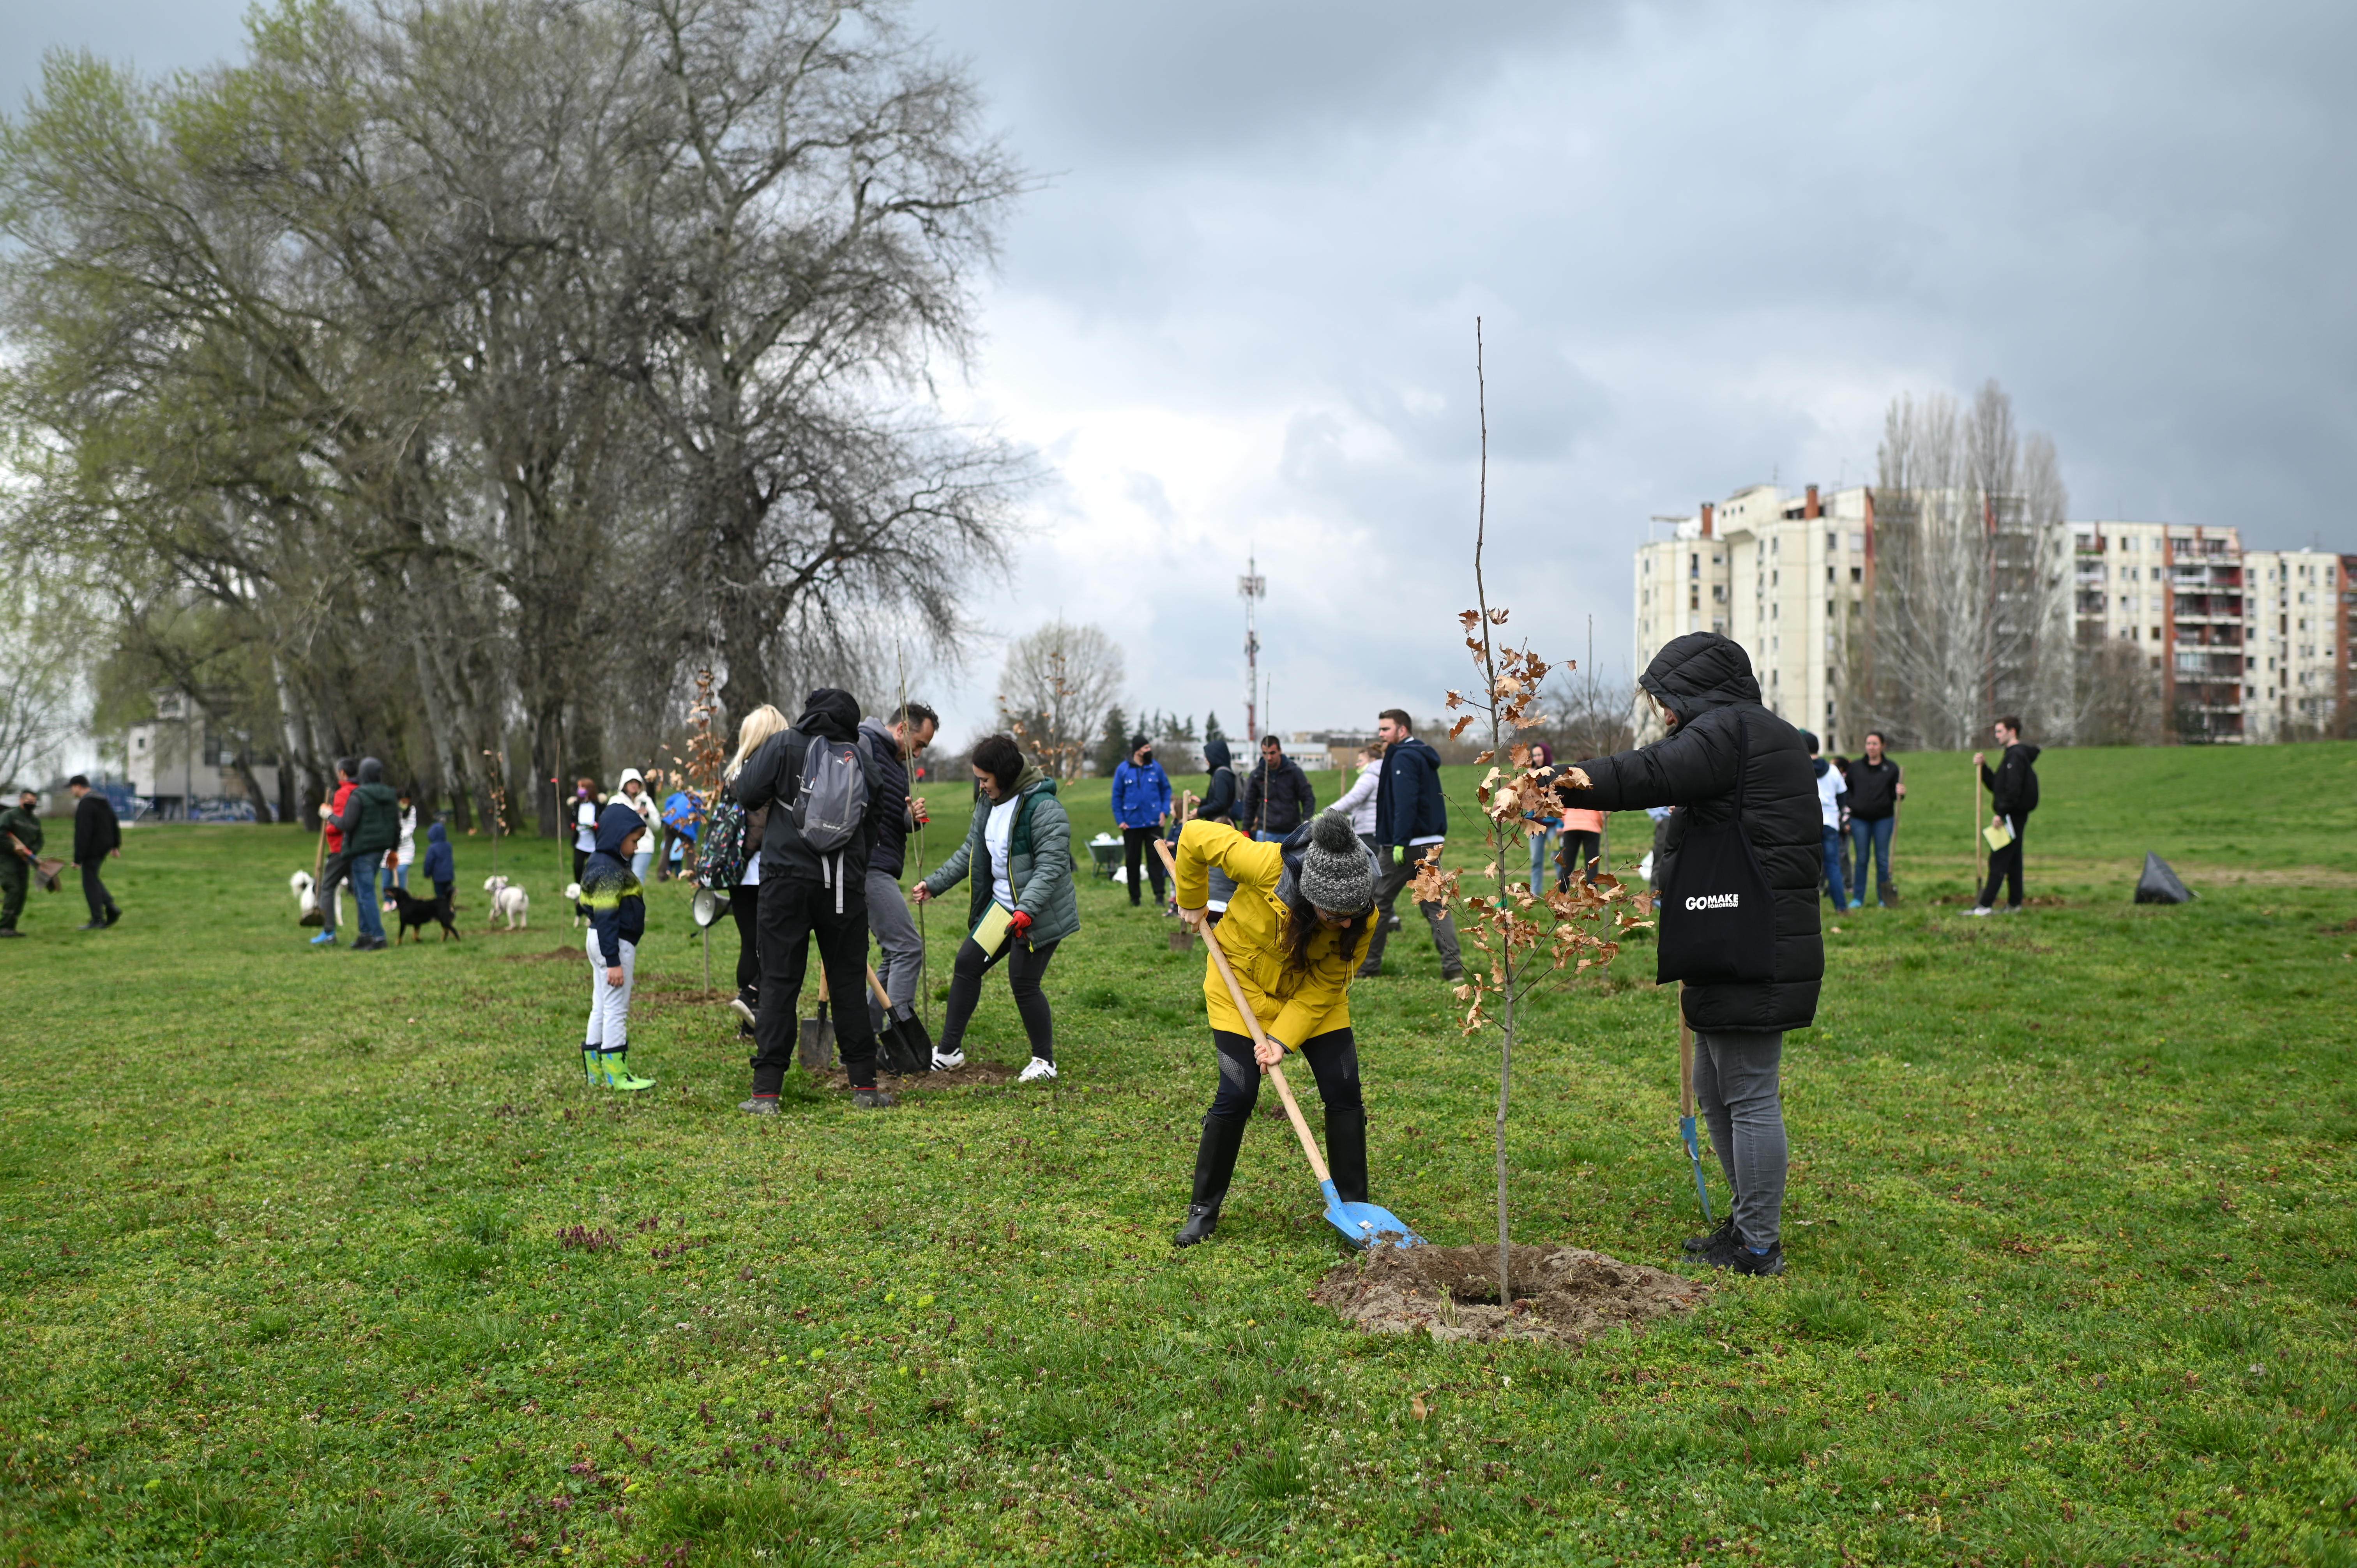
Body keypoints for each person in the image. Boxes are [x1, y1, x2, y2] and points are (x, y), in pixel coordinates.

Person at [1543, 632, 1822, 1277]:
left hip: (1748, 934)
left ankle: (1758, 1242)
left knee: (1747, 1090)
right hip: (1732, 927)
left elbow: (1649, 771)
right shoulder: (1745, 731)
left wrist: (1563, 781)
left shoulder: (1727, 730)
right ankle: (1746, 1218)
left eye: (1667, 696)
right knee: (1713, 1085)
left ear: (1696, 689)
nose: (1663, 711)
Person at [1169, 809, 1381, 1246]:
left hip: (1311, 997)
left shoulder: (1363, 917)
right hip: (1239, 987)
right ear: (1309, 892)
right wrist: (1192, 899)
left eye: (1353, 914)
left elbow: (1327, 985)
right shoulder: (1266, 864)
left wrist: (1283, 1037)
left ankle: (1357, 1210)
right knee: (1237, 1093)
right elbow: (1193, 836)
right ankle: (1203, 1210)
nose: (1347, 923)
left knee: (1344, 1091)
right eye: (1335, 914)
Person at [731, 689, 889, 1112]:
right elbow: (877, 817)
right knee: (848, 982)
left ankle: (766, 1092)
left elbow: (746, 793)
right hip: (843, 887)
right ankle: (864, 1088)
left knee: (781, 980)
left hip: (786, 881)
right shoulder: (863, 755)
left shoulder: (784, 744)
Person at [913, 733, 1078, 1081]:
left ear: (1003, 775)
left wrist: (1027, 909)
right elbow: (972, 851)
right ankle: (949, 1052)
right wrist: (935, 883)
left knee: (1023, 982)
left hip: (1037, 912)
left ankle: (1045, 1062)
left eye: (985, 779)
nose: (981, 785)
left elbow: (1051, 868)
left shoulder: (1044, 808)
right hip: (1003, 909)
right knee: (967, 964)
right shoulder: (989, 803)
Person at [1357, 711, 1463, 983]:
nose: (1381, 734)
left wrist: (1399, 842)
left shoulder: (1403, 757)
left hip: (1406, 846)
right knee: (1435, 906)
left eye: (1385, 729)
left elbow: (1406, 802)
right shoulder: (1421, 754)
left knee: (1374, 903)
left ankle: (1368, 966)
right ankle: (1453, 969)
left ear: (1402, 731)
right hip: (1429, 844)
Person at [859, 702, 938, 1033]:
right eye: (919, 744)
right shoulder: (864, 745)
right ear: (903, 729)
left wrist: (911, 819)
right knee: (907, 948)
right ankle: (901, 1034)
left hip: (882, 865)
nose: (919, 754)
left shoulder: (895, 763)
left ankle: (863, 1036)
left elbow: (890, 819)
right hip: (867, 866)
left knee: (895, 954)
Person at [719, 706, 791, 1038]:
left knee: (749, 944)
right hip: (765, 870)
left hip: (738, 872)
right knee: (773, 946)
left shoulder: (735, 772)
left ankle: (748, 1026)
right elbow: (760, 824)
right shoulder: (770, 771)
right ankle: (759, 1010)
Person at [579, 800, 654, 1091]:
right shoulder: (610, 871)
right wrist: (614, 961)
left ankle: (595, 1072)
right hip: (615, 944)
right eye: (634, 841)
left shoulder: (598, 863)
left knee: (600, 1005)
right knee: (616, 1008)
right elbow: (607, 915)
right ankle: (617, 1075)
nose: (636, 848)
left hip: (596, 940)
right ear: (617, 836)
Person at [325, 759, 400, 951]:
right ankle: (365, 935)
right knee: (360, 890)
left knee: (366, 893)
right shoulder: (390, 795)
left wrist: (329, 815)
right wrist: (394, 850)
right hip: (380, 850)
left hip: (362, 851)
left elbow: (347, 825)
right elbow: (396, 825)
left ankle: (379, 937)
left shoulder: (359, 795)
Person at [1972, 717, 2041, 916]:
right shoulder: (2012, 755)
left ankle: (1984, 906)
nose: (1997, 735)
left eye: (2000, 731)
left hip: (2012, 815)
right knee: (2013, 860)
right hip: (2014, 814)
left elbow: (2012, 790)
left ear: (2012, 732)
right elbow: (1999, 787)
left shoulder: (2016, 756)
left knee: (1999, 859)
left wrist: (2002, 814)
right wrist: (1984, 769)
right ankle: (2015, 904)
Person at [1111, 735, 1174, 910]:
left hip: (1154, 822)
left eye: (1149, 748)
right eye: (1145, 748)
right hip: (1132, 824)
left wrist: (1165, 812)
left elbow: (1166, 790)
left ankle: (1160, 895)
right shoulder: (1123, 770)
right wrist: (1120, 819)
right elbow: (1117, 796)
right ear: (1137, 751)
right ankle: (1135, 898)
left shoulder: (1156, 768)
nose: (1149, 751)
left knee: (1157, 859)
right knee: (1133, 860)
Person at [1844, 731, 1904, 909]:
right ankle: (1858, 898)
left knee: (1882, 859)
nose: (1871, 747)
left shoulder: (1891, 768)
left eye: (1875, 744)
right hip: (1860, 820)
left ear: (1883, 746)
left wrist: (1901, 793)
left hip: (1883, 820)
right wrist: (1851, 805)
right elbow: (1847, 790)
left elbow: (1894, 795)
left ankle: (1883, 897)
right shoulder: (1855, 768)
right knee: (1862, 859)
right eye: (1869, 744)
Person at [69, 777, 124, 931]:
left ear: (78, 786)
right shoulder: (102, 799)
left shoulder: (86, 804)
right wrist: (115, 845)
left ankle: (98, 919)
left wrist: (78, 859)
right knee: (93, 878)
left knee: (89, 882)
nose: (72, 791)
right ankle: (110, 906)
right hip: (104, 846)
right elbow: (114, 821)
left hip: (92, 848)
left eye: (72, 788)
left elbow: (83, 832)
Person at [1804, 731, 1849, 912]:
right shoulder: (1833, 770)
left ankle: (1807, 910)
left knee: (1807, 868)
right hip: (1830, 822)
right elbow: (1842, 797)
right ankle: (1842, 907)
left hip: (1808, 823)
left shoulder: (1801, 768)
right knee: (1833, 866)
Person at [1240, 736, 1316, 842]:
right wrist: (1246, 828)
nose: (1269, 758)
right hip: (1266, 832)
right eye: (1265, 753)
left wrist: (1307, 821)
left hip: (1291, 832)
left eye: (1273, 753)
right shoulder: (1257, 775)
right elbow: (1250, 803)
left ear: (1280, 751)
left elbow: (1308, 797)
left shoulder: (1294, 772)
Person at [1519, 740, 1562, 894]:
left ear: (1546, 755)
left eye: (1540, 755)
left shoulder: (1555, 772)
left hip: (1553, 827)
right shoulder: (1530, 775)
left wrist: (1560, 826)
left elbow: (1560, 800)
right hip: (1535, 827)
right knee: (1536, 861)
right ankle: (1535, 894)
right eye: (1535, 755)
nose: (1538, 758)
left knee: (1557, 858)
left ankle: (1563, 891)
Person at [1557, 757, 1605, 890]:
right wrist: (1599, 822)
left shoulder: (1572, 781)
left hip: (1572, 825)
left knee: (1567, 864)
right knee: (1592, 864)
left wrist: (1567, 820)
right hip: (1592, 826)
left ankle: (1562, 898)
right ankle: (1593, 898)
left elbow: (1562, 805)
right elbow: (1605, 808)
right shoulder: (1597, 782)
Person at [0, 787, 41, 938]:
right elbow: (1, 834)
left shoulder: (35, 821)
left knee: (22, 893)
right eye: (28, 801)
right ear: (21, 801)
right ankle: (4, 927)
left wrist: (31, 853)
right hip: (6, 859)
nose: (31, 804)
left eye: (34, 802)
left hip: (24, 860)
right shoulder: (9, 816)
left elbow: (40, 840)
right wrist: (13, 848)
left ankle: (11, 927)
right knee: (13, 889)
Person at [1334, 744, 1382, 855]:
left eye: (1361, 761)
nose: (1358, 764)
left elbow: (1352, 799)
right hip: (1375, 831)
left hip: (1368, 832)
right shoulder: (1381, 776)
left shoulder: (1370, 777)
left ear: (1373, 760)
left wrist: (1327, 813)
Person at [617, 769, 660, 884]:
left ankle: (636, 902)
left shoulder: (646, 801)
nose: (634, 786)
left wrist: (647, 815)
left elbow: (657, 826)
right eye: (631, 782)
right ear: (625, 784)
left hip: (644, 846)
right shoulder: (617, 801)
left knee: (637, 878)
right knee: (623, 880)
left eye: (637, 783)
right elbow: (611, 823)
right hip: (623, 846)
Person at [660, 785, 700, 881]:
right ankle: (692, 876)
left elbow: (669, 800)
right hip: (683, 824)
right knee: (691, 850)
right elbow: (697, 820)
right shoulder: (699, 800)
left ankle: (662, 875)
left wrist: (669, 814)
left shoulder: (684, 793)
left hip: (669, 820)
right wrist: (694, 837)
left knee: (667, 848)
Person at [421, 819, 456, 917]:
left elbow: (429, 862)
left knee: (440, 896)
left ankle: (441, 912)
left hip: (438, 877)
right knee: (448, 893)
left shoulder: (433, 848)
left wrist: (427, 873)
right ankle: (450, 907)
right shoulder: (448, 846)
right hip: (449, 875)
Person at [571, 779, 599, 886]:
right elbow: (572, 820)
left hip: (594, 844)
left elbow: (601, 819)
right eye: (579, 788)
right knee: (578, 866)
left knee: (593, 868)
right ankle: (579, 886)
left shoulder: (597, 805)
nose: (580, 790)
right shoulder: (577, 805)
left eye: (583, 788)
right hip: (580, 843)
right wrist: (573, 825)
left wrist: (596, 826)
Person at [389, 788, 418, 892]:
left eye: (407, 802)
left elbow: (410, 828)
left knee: (401, 871)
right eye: (403, 802)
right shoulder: (391, 810)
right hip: (390, 847)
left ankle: (402, 897)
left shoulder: (412, 810)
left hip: (405, 847)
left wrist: (398, 838)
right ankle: (389, 901)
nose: (405, 804)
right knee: (387, 876)